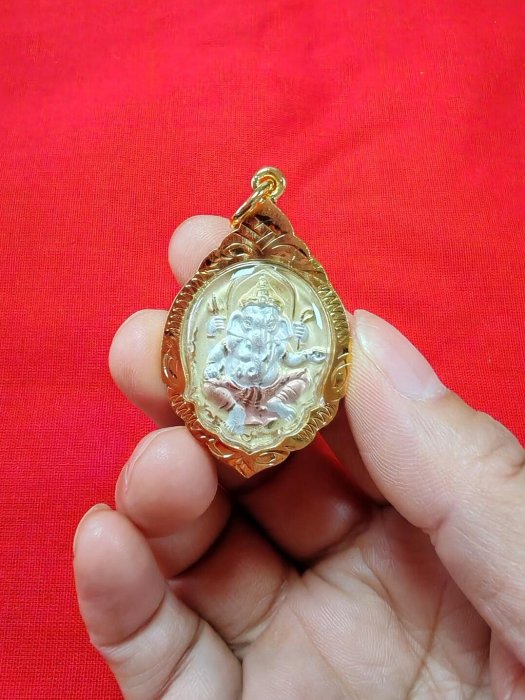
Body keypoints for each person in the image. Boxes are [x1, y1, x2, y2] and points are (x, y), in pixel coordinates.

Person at [73, 216, 525, 698]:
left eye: (264, 331)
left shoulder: (286, 364)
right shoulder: (223, 360)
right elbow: (219, 369)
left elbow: (291, 368)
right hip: (232, 417)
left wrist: (294, 368)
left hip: (279, 419)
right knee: (193, 429)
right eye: (246, 330)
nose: (254, 340)